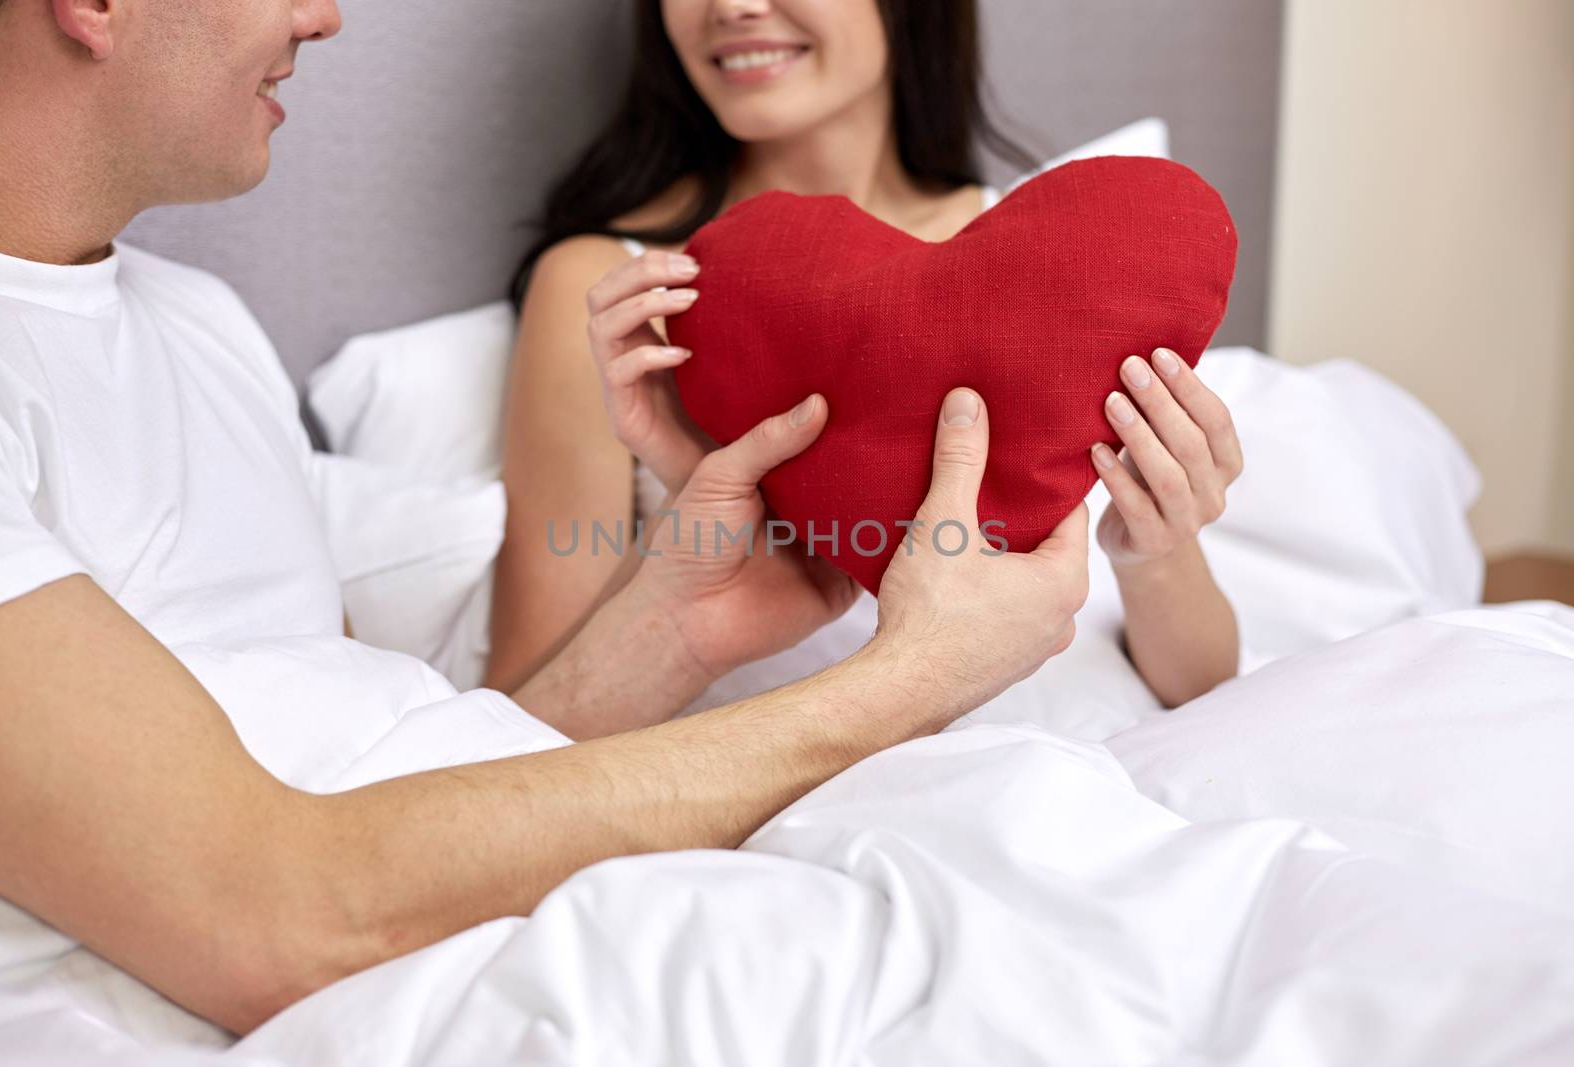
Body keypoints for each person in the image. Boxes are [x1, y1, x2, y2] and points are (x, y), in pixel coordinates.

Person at [0, 0, 1089, 1037]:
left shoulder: (199, 324)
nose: (325, 15)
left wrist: (673, 625)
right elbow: (273, 910)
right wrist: (910, 679)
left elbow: (384, 793)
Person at [488, 0, 1245, 718]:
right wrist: (684, 533)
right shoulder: (630, 295)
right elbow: (515, 727)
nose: (734, 5)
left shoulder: (1074, 261)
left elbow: (1203, 690)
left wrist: (1154, 552)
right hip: (770, 771)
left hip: (1058, 756)